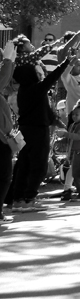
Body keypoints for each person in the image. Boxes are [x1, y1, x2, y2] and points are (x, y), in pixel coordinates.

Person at [9, 35, 78, 213]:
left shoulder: (24, 91)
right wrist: (67, 62)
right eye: (36, 71)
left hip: (26, 130)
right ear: (31, 75)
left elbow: (45, 108)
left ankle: (18, 199)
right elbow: (53, 77)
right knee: (39, 165)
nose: (39, 73)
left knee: (24, 164)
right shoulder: (36, 89)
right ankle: (29, 198)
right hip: (38, 131)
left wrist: (56, 121)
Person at [58, 100, 80, 201]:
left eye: (77, 114)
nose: (74, 116)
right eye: (73, 114)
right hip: (76, 153)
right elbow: (70, 139)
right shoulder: (73, 125)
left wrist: (65, 134)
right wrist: (62, 139)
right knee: (76, 173)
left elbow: (78, 136)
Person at [0, 41, 16, 223]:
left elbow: (5, 79)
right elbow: (3, 78)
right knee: (4, 177)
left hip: (4, 140)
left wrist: (10, 61)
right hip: (1, 141)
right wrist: (7, 60)